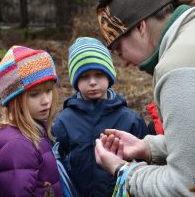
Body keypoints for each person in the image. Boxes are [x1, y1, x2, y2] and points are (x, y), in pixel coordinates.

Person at [94, 0, 195, 196]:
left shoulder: (182, 64)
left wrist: (123, 171)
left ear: (140, 27)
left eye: (119, 50)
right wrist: (148, 147)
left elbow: (194, 187)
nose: (124, 64)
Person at [52, 37, 148, 197]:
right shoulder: (64, 121)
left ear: (109, 76)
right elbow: (58, 166)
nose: (92, 82)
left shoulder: (130, 120)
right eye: (84, 76)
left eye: (99, 74)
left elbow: (145, 161)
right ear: (75, 80)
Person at [0, 45, 63, 197]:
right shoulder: (18, 145)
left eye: (49, 90)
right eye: (34, 94)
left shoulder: (35, 129)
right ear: (14, 100)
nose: (46, 101)